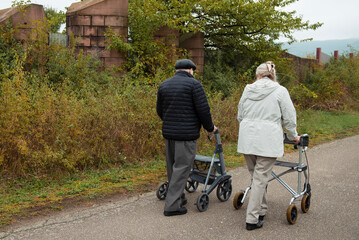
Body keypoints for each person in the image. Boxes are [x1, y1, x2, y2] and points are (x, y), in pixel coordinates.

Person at [237, 61, 300, 230]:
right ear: (273, 75)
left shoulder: (248, 89)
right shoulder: (280, 91)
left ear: (258, 75)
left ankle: (261, 209)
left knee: (256, 177)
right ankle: (252, 218)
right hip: (268, 139)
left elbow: (240, 115)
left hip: (247, 138)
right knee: (260, 178)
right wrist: (294, 137)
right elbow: (289, 117)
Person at [156, 59, 217, 216]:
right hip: (186, 135)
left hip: (169, 133)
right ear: (190, 70)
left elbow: (160, 110)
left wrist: (170, 122)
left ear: (177, 70)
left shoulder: (164, 84)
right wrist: (210, 128)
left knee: (172, 167)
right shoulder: (194, 85)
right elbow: (204, 110)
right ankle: (172, 206)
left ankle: (179, 196)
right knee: (182, 168)